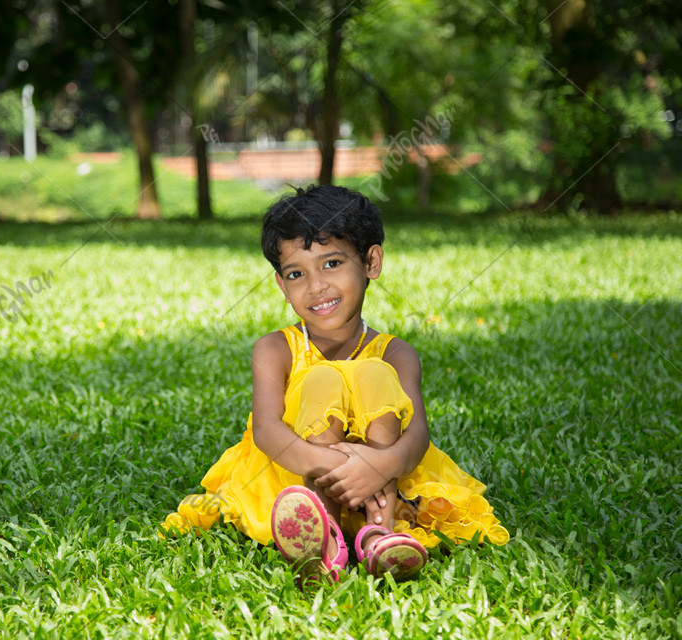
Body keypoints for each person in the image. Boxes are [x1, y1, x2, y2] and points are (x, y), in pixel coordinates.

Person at [162, 185, 509, 583]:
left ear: (371, 262)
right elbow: (267, 430)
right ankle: (321, 528)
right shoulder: (275, 349)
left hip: (382, 479)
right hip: (295, 472)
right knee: (322, 377)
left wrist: (379, 466)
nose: (316, 286)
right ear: (281, 285)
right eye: (297, 273)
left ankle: (380, 529)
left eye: (331, 264)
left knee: (375, 373)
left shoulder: (396, 353)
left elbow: (416, 436)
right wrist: (339, 467)